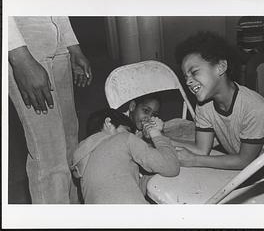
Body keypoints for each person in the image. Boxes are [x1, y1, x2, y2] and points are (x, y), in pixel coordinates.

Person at [173, 31, 264, 170]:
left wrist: (195, 160)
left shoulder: (255, 108)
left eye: (194, 72)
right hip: (244, 166)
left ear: (221, 67)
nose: (188, 81)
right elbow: (202, 150)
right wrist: (161, 139)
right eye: (185, 77)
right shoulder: (203, 105)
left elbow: (244, 161)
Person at [8, 16, 93, 204]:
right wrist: (18, 57)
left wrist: (72, 45)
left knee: (70, 143)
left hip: (57, 40)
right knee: (49, 156)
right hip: (23, 45)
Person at [71, 108, 179, 204]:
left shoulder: (83, 157)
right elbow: (171, 167)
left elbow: (122, 188)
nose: (131, 135)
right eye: (127, 131)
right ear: (108, 123)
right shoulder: (124, 138)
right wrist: (156, 132)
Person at [236, 16, 264, 91]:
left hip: (260, 52)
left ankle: (251, 95)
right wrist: (241, 51)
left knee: (250, 67)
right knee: (231, 62)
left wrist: (253, 52)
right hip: (244, 52)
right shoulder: (241, 20)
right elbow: (239, 41)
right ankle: (238, 93)